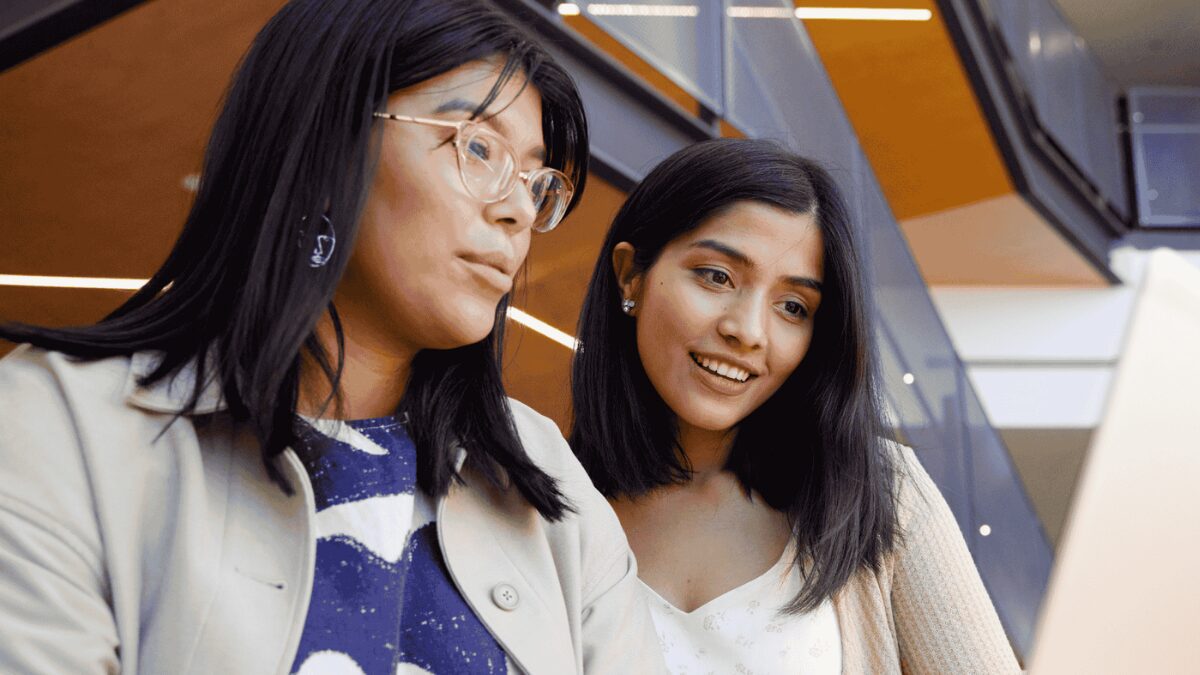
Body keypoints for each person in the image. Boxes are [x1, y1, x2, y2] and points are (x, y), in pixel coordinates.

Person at [0, 1, 666, 672]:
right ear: (323, 147)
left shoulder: (549, 479)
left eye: (536, 181)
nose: (518, 207)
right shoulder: (58, 426)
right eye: (478, 146)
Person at [569, 138, 1020, 674]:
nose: (748, 331)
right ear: (630, 275)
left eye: (792, 307)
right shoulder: (546, 502)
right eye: (717, 276)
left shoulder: (874, 491)